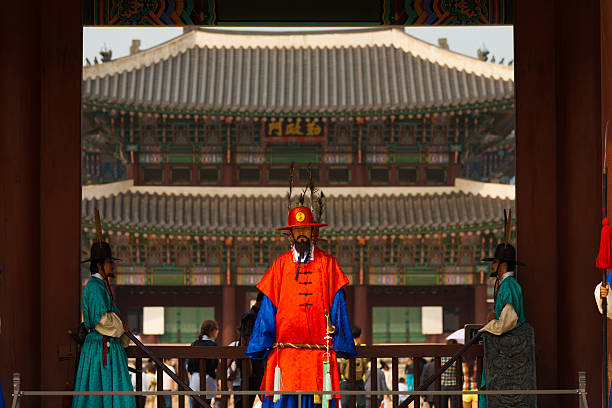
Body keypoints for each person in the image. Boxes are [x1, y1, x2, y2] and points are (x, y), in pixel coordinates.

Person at [246, 175, 356, 408]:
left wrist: (342, 344)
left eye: (306, 228)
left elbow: (338, 307)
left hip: (320, 358)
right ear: (291, 234)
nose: (302, 233)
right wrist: (259, 345)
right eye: (298, 230)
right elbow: (267, 310)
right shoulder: (280, 266)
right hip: (284, 358)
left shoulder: (328, 264)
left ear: (313, 231)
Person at [73, 228, 136, 408]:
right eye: (109, 262)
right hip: (100, 348)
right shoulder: (94, 287)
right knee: (97, 395)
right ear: (100, 265)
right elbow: (101, 320)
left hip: (106, 347)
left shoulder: (100, 286)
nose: (112, 266)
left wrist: (120, 328)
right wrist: (120, 327)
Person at [478, 211, 527, 408]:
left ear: (503, 265)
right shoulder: (506, 285)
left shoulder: (509, 286)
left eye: (496, 263)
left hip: (509, 348)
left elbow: (507, 322)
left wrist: (488, 326)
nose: (494, 266)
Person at [187, 320, 220, 408]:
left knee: (195, 404)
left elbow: (189, 365)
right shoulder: (213, 345)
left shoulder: (194, 344)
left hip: (195, 379)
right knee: (206, 404)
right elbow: (214, 365)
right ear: (212, 330)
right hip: (208, 378)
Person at [338, 326, 367, 408]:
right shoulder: (363, 347)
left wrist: (344, 374)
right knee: (361, 404)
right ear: (360, 335)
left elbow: (342, 367)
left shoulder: (345, 347)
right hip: (359, 380)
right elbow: (365, 366)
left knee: (345, 404)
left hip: (346, 380)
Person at [440, 339, 457, 408]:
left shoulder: (442, 358)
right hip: (454, 384)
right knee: (454, 405)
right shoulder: (456, 359)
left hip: (443, 384)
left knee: (443, 404)